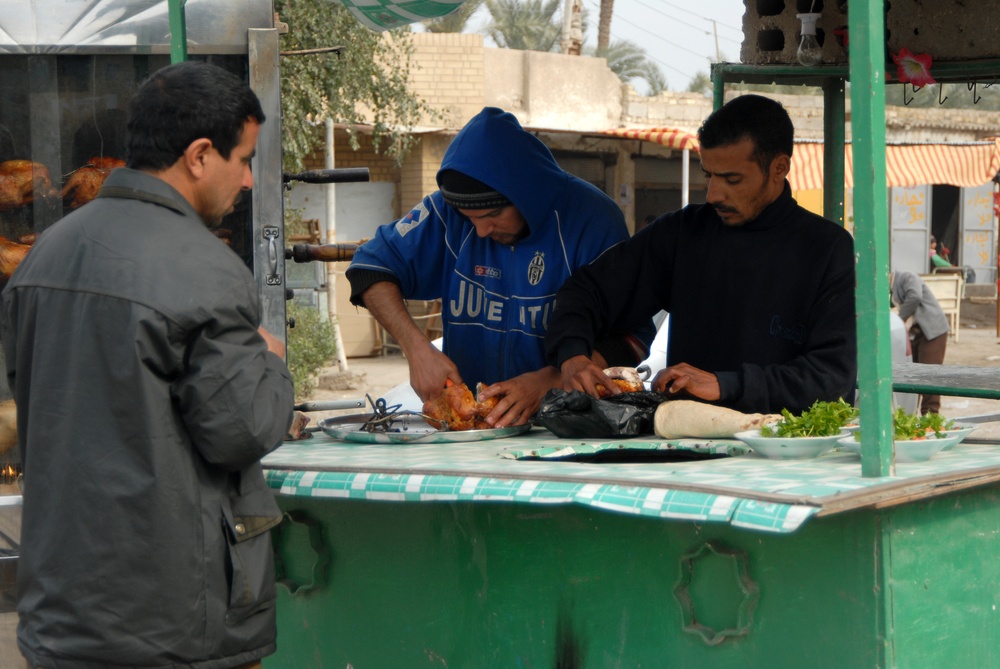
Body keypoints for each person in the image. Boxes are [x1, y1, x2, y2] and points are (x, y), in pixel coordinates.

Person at [0, 62, 294, 669]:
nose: (246, 182)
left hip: (60, 615)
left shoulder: (44, 255)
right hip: (172, 622)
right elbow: (241, 429)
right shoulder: (205, 268)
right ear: (199, 154)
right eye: (243, 160)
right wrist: (270, 364)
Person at [545, 94, 857, 415]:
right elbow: (587, 291)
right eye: (708, 174)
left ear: (779, 168)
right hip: (684, 443)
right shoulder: (683, 233)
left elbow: (831, 377)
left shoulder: (826, 249)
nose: (713, 194)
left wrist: (726, 384)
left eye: (731, 179)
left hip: (782, 447)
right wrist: (572, 356)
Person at [347, 107, 653, 427]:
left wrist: (552, 379)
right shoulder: (447, 211)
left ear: (526, 197)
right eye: (469, 219)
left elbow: (633, 334)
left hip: (569, 427)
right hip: (472, 429)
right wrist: (416, 348)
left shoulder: (593, 220)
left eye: (491, 215)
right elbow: (370, 267)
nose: (480, 231)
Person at [891, 270, 949, 414]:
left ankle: (930, 418)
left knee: (929, 376)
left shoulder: (906, 276)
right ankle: (910, 417)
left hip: (933, 331)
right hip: (916, 334)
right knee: (913, 376)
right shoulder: (893, 288)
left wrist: (900, 318)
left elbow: (915, 295)